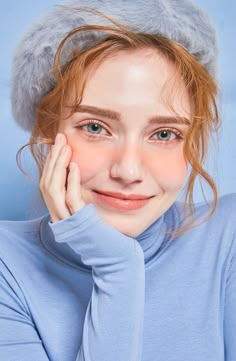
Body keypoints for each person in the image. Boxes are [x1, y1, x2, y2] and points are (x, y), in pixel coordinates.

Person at [0, 0, 235, 360]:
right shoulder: (7, 265)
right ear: (49, 131)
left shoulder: (227, 238)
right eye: (95, 127)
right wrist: (117, 269)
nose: (128, 171)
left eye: (164, 134)